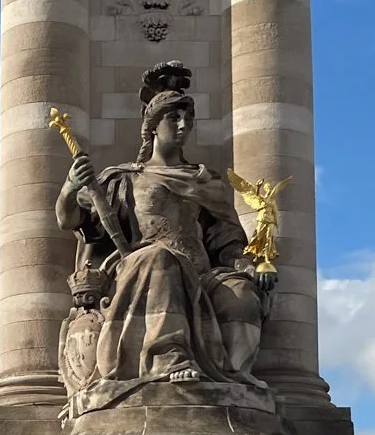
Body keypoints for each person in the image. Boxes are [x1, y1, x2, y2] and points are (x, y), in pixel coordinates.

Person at [55, 62, 275, 393]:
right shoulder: (125, 178)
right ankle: (167, 358)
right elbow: (72, 221)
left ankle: (234, 380)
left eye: (189, 117)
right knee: (161, 259)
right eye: (174, 117)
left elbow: (227, 240)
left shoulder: (204, 180)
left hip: (200, 272)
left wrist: (248, 264)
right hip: (143, 265)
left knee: (240, 292)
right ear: (153, 126)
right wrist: (70, 189)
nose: (184, 124)